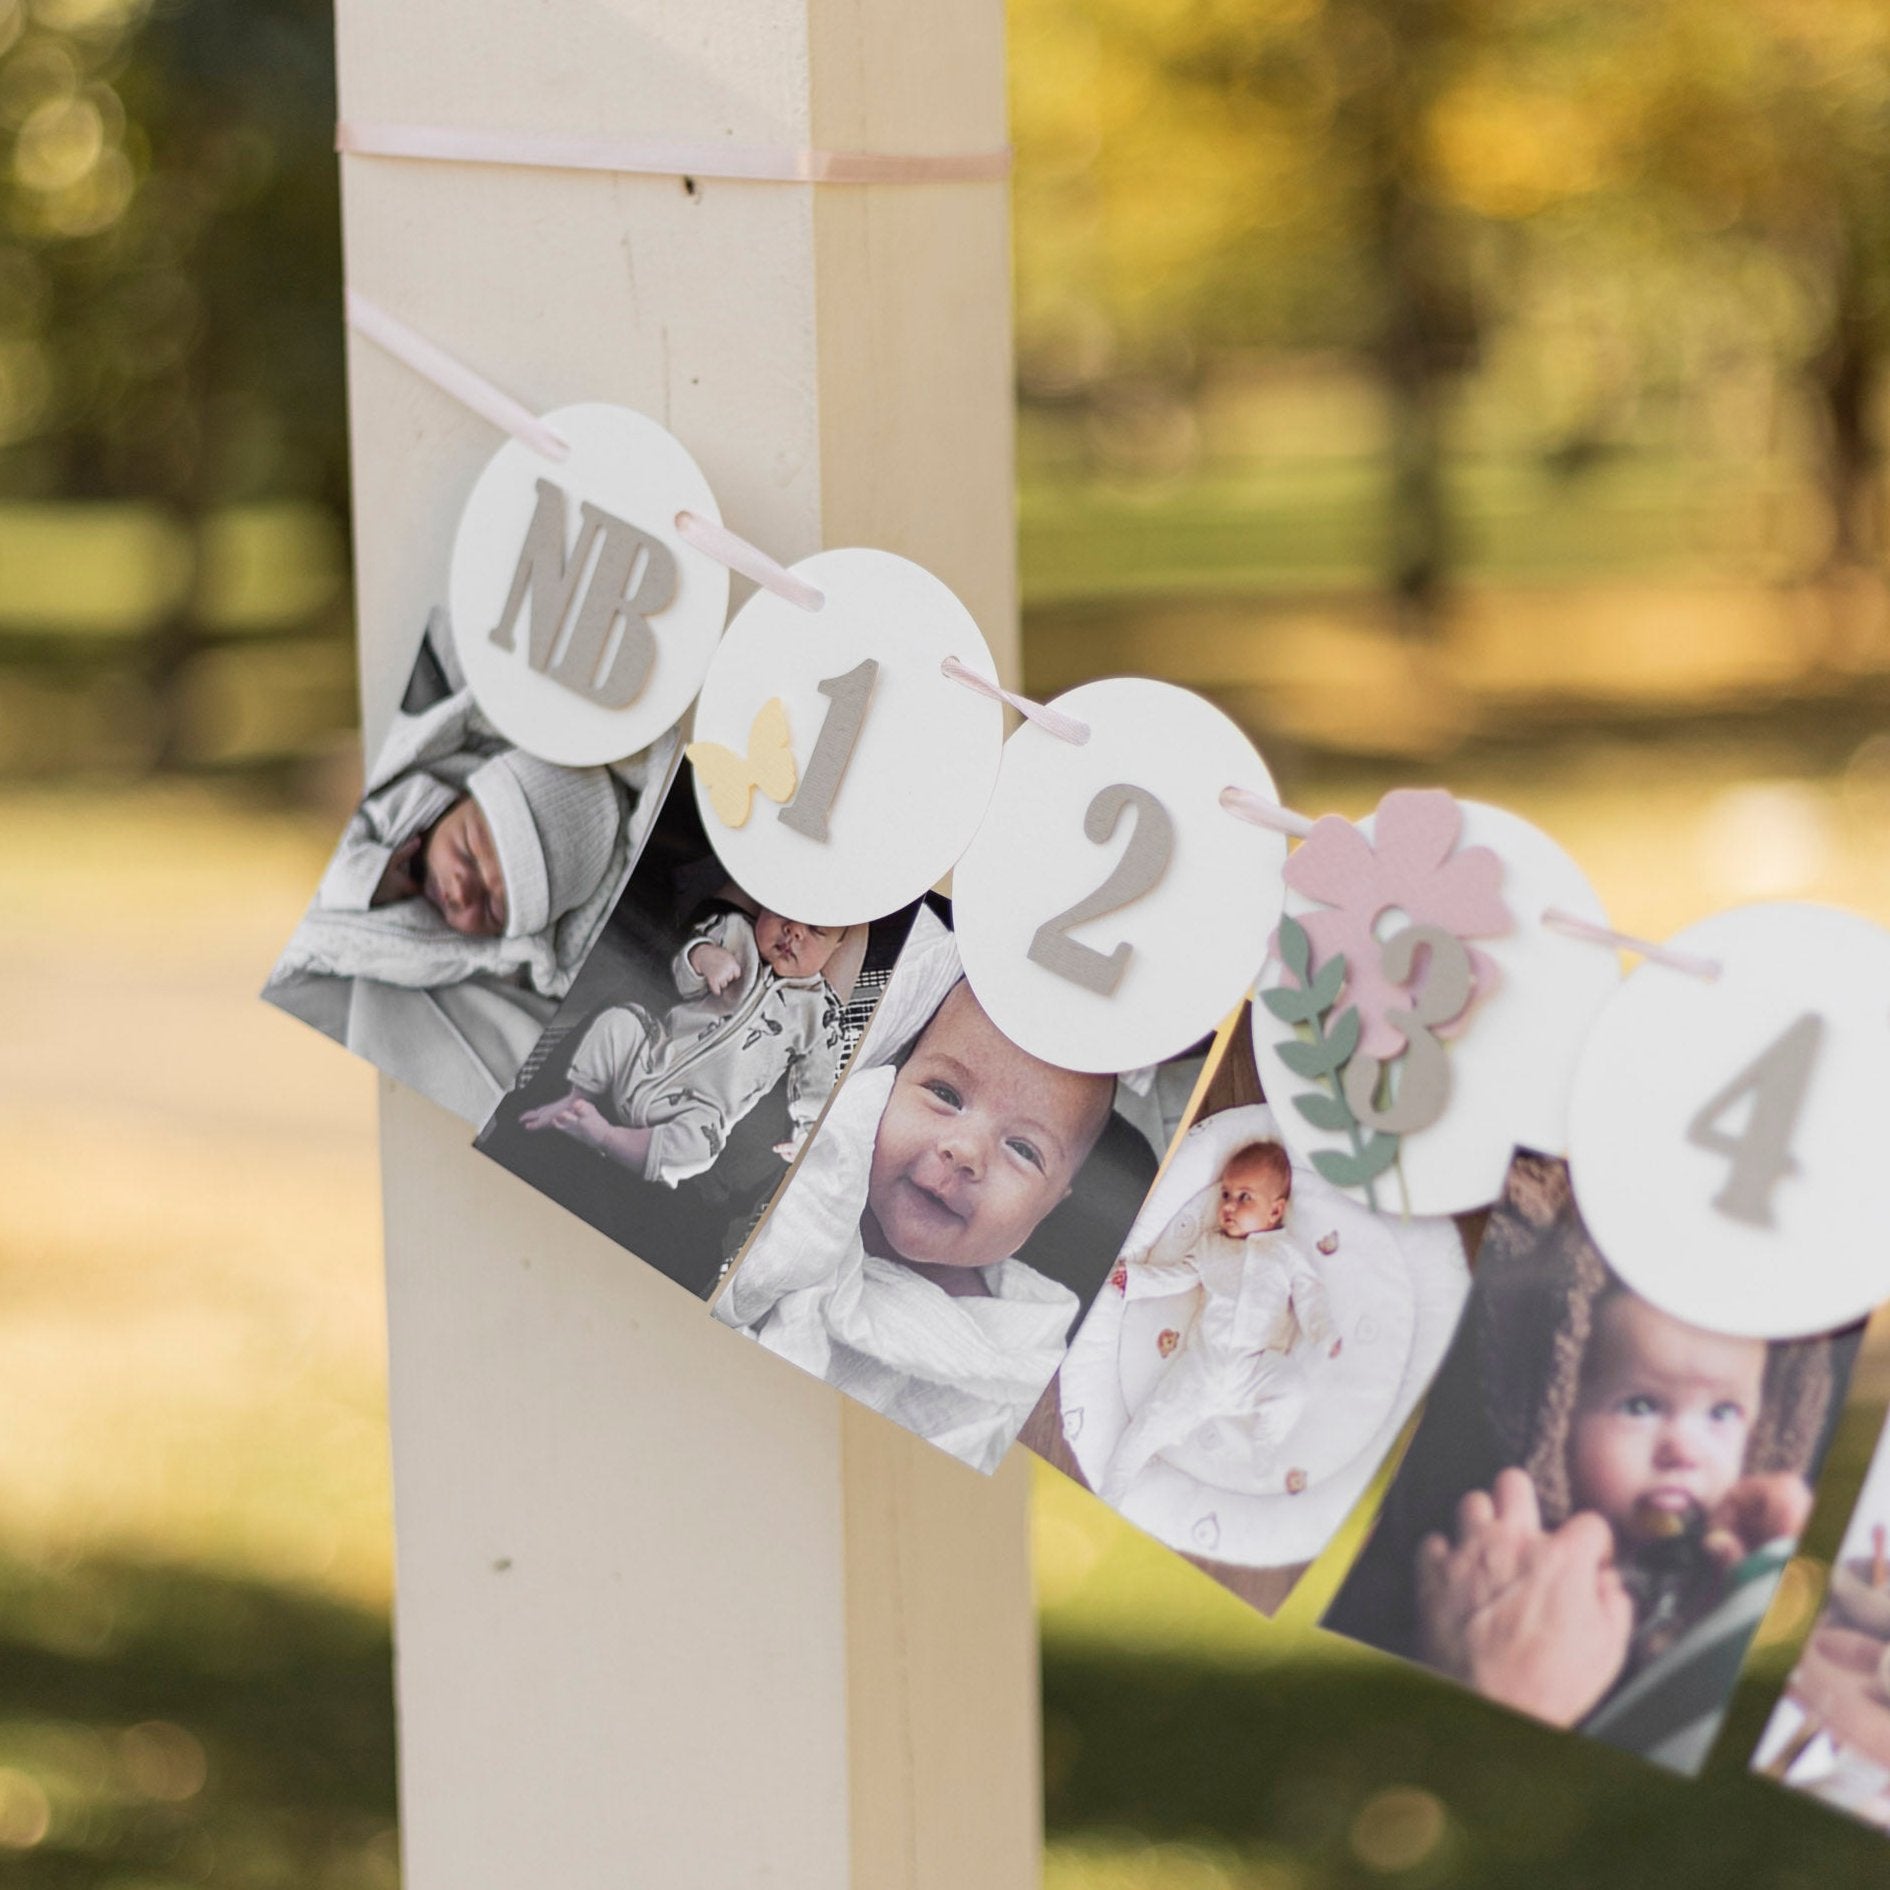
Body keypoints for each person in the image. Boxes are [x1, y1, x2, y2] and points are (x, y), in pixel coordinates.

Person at [713, 975, 1117, 1473]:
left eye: (1023, 1150)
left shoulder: (1019, 1348)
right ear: (889, 1080)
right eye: (944, 1093)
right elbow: (736, 1287)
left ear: (1050, 1207)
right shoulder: (816, 1197)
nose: (966, 1152)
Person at [520, 905, 845, 1186]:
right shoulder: (734, 930)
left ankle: (608, 1137)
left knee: (702, 1148)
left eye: (816, 931)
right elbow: (681, 973)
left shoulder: (820, 1011)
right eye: (784, 912)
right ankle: (576, 1098)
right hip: (654, 1054)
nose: (794, 931)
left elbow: (817, 1075)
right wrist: (703, 957)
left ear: (838, 946)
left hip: (702, 1108)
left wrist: (807, 1129)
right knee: (620, 1020)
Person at [1100, 1140, 1342, 1503]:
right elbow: (1179, 1275)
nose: (1228, 1205)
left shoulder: (1286, 1251)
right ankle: (1113, 1488)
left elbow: (1310, 1294)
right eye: (1226, 1194)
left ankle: (1265, 1447)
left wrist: (1323, 1334)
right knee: (1151, 1421)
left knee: (1294, 1388)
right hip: (1203, 1367)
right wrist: (1136, 1279)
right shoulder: (1212, 1246)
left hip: (1256, 1366)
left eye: (1245, 1197)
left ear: (1275, 1211)